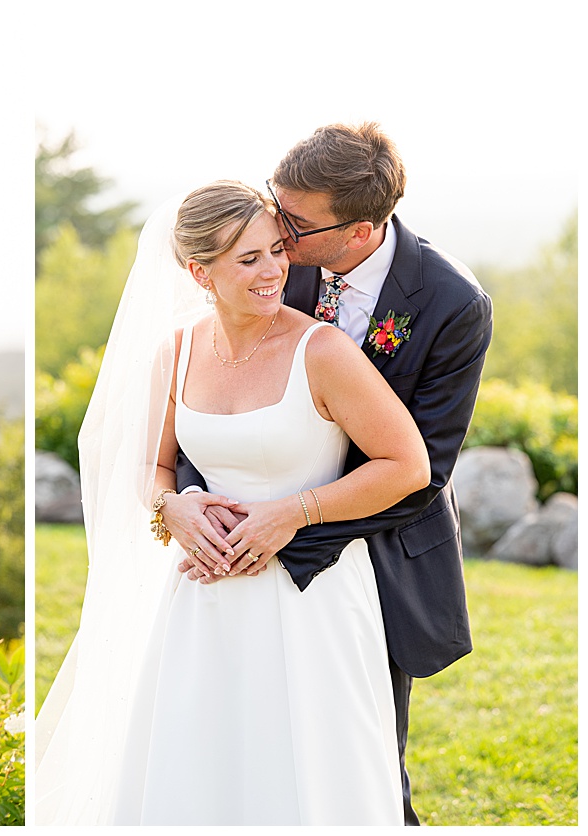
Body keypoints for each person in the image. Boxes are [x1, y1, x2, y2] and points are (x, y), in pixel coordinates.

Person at [32, 181, 431, 824]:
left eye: (277, 250)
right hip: (202, 595)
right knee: (197, 774)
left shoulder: (322, 351)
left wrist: (295, 512)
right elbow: (147, 461)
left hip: (310, 601)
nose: (274, 270)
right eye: (248, 259)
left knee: (312, 781)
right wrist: (173, 509)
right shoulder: (179, 351)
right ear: (200, 273)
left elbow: (407, 465)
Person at [163, 124, 492, 824]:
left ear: (360, 231)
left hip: (376, 550)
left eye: (294, 224)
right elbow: (222, 395)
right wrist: (186, 502)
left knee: (359, 761)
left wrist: (290, 527)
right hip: (229, 553)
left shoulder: (451, 303)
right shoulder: (271, 261)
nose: (276, 235)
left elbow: (422, 467)